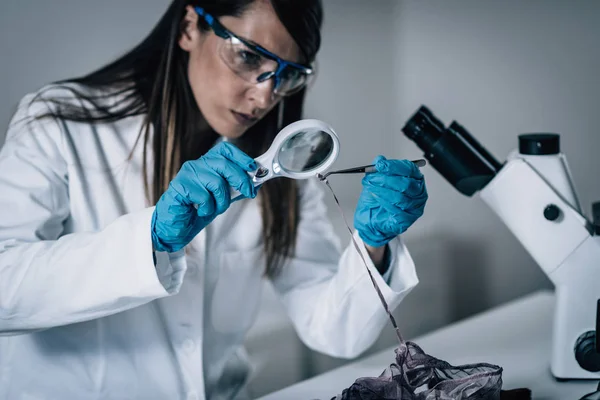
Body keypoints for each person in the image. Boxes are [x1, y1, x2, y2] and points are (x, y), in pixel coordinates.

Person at [0, 0, 428, 399]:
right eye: (248, 56)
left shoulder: (282, 167)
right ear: (189, 27)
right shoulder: (58, 122)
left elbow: (335, 330)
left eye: (288, 75)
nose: (265, 97)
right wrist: (148, 241)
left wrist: (373, 244)